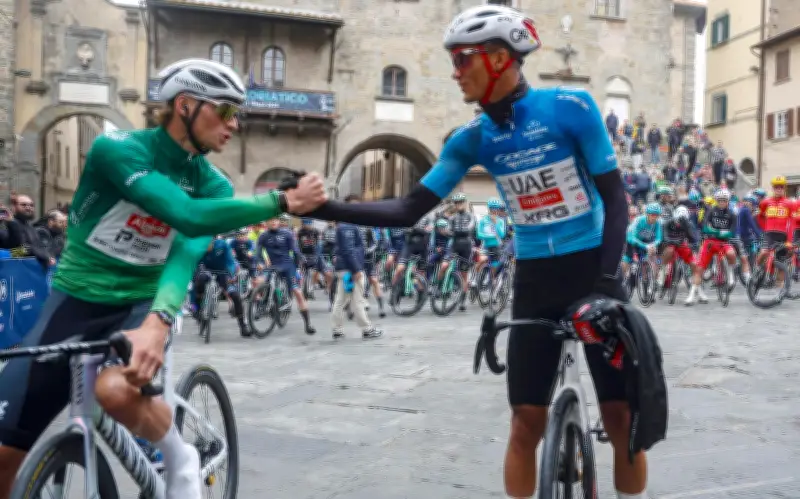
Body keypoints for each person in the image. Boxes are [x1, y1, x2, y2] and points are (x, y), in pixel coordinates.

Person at [305, 5, 646, 498]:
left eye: (462, 59)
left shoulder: (570, 107)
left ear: (500, 58)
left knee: (621, 417)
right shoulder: (472, 139)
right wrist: (325, 208)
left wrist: (608, 281)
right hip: (536, 280)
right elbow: (408, 209)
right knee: (524, 423)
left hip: (593, 266)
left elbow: (615, 199)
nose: (455, 72)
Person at [0, 58, 327, 499]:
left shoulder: (213, 185)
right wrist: (282, 201)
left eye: (239, 114)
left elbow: (186, 248)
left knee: (115, 390)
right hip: (74, 298)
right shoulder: (117, 149)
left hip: (145, 299)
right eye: (226, 110)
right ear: (185, 105)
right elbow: (183, 212)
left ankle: (180, 456)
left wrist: (158, 320)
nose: (235, 124)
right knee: (3, 453)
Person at [330, 194, 382, 339]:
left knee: (341, 299)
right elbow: (348, 250)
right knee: (357, 299)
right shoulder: (347, 225)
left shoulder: (346, 224)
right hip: (350, 269)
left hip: (345, 268)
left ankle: (337, 329)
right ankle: (367, 329)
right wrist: (356, 269)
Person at [256, 216, 316, 335]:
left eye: (275, 220)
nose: (273, 222)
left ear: (279, 221)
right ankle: (262, 306)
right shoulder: (263, 236)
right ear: (266, 222)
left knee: (297, 292)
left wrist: (300, 262)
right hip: (273, 266)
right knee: (259, 282)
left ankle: (308, 324)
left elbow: (295, 250)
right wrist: (260, 263)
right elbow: (258, 253)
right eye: (270, 220)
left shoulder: (287, 233)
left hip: (288, 266)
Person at [190, 237, 250, 336]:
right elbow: (195, 263)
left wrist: (231, 275)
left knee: (235, 296)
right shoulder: (199, 247)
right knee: (198, 283)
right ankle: (198, 309)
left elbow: (230, 261)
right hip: (205, 272)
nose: (207, 246)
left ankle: (243, 326)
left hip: (222, 274)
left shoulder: (222, 245)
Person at [0, 194, 54, 270]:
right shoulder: (6, 224)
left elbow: (38, 246)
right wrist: (33, 251)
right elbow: (13, 252)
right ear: (14, 207)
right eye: (23, 205)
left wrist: (45, 254)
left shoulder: (30, 227)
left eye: (31, 205)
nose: (28, 208)